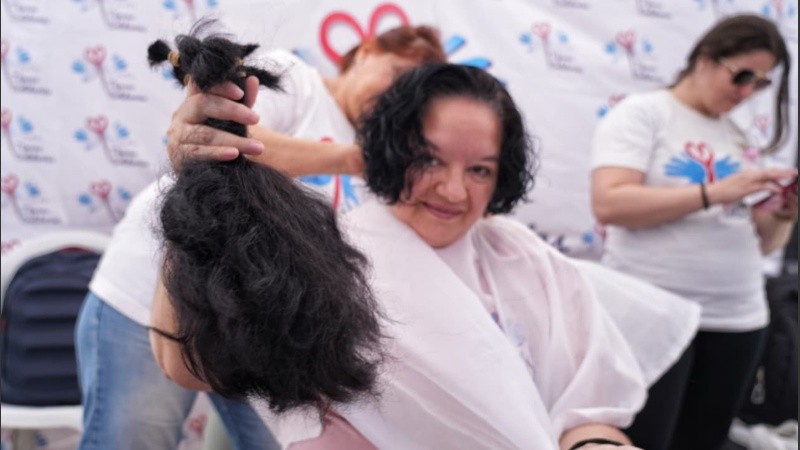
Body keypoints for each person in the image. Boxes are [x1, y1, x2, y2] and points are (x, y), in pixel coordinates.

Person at [212, 63, 649, 449]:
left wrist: (596, 444)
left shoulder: (527, 260)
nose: (454, 191)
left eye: (479, 170)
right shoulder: (327, 267)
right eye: (430, 160)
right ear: (392, 152)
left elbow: (587, 412)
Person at [74, 24, 445, 450]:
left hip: (255, 333)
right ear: (365, 51)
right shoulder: (294, 79)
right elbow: (229, 142)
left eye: (407, 96)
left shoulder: (377, 163)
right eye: (396, 74)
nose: (393, 95)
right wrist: (354, 159)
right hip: (144, 296)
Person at [591, 14, 797, 450]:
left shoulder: (739, 134)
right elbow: (610, 203)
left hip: (737, 317)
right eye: (742, 76)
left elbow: (764, 244)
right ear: (705, 58)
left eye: (760, 83)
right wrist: (714, 192)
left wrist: (783, 213)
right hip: (655, 314)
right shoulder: (644, 114)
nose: (747, 92)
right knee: (643, 439)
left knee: (705, 441)